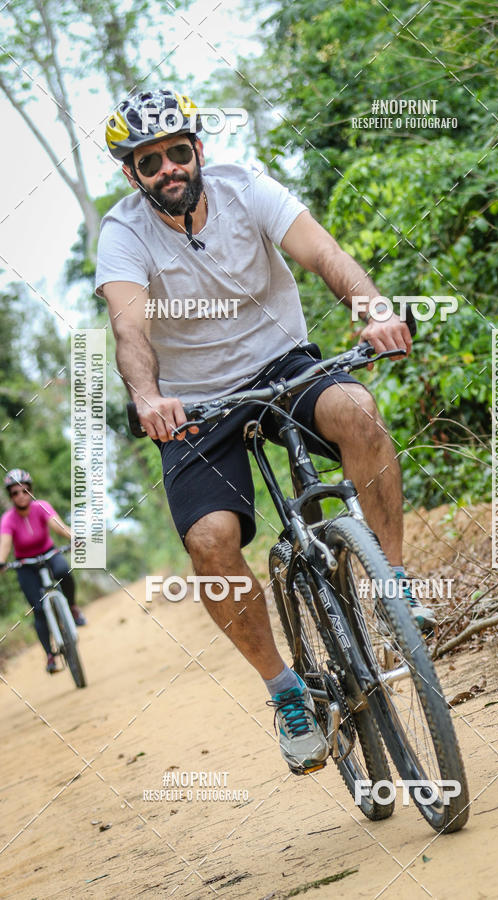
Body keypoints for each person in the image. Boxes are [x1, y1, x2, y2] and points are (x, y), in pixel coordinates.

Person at [96, 88, 436, 774]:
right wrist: (148, 395)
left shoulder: (244, 186)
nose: (169, 168)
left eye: (178, 152)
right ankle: (286, 693)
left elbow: (326, 255)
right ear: (133, 174)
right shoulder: (123, 233)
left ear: (199, 150)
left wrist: (372, 311)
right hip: (195, 404)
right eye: (150, 160)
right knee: (209, 542)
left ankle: (394, 588)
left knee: (359, 413)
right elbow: (129, 327)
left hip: (283, 363)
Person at [0, 469, 85, 674]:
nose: (20, 496)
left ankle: (72, 607)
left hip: (49, 553)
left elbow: (58, 526)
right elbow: (5, 542)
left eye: (24, 490)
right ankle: (49, 655)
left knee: (64, 571)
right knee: (38, 610)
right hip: (25, 564)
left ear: (30, 490)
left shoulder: (41, 507)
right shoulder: (8, 519)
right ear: (10, 496)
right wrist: (1, 561)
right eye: (15, 493)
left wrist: (73, 536)